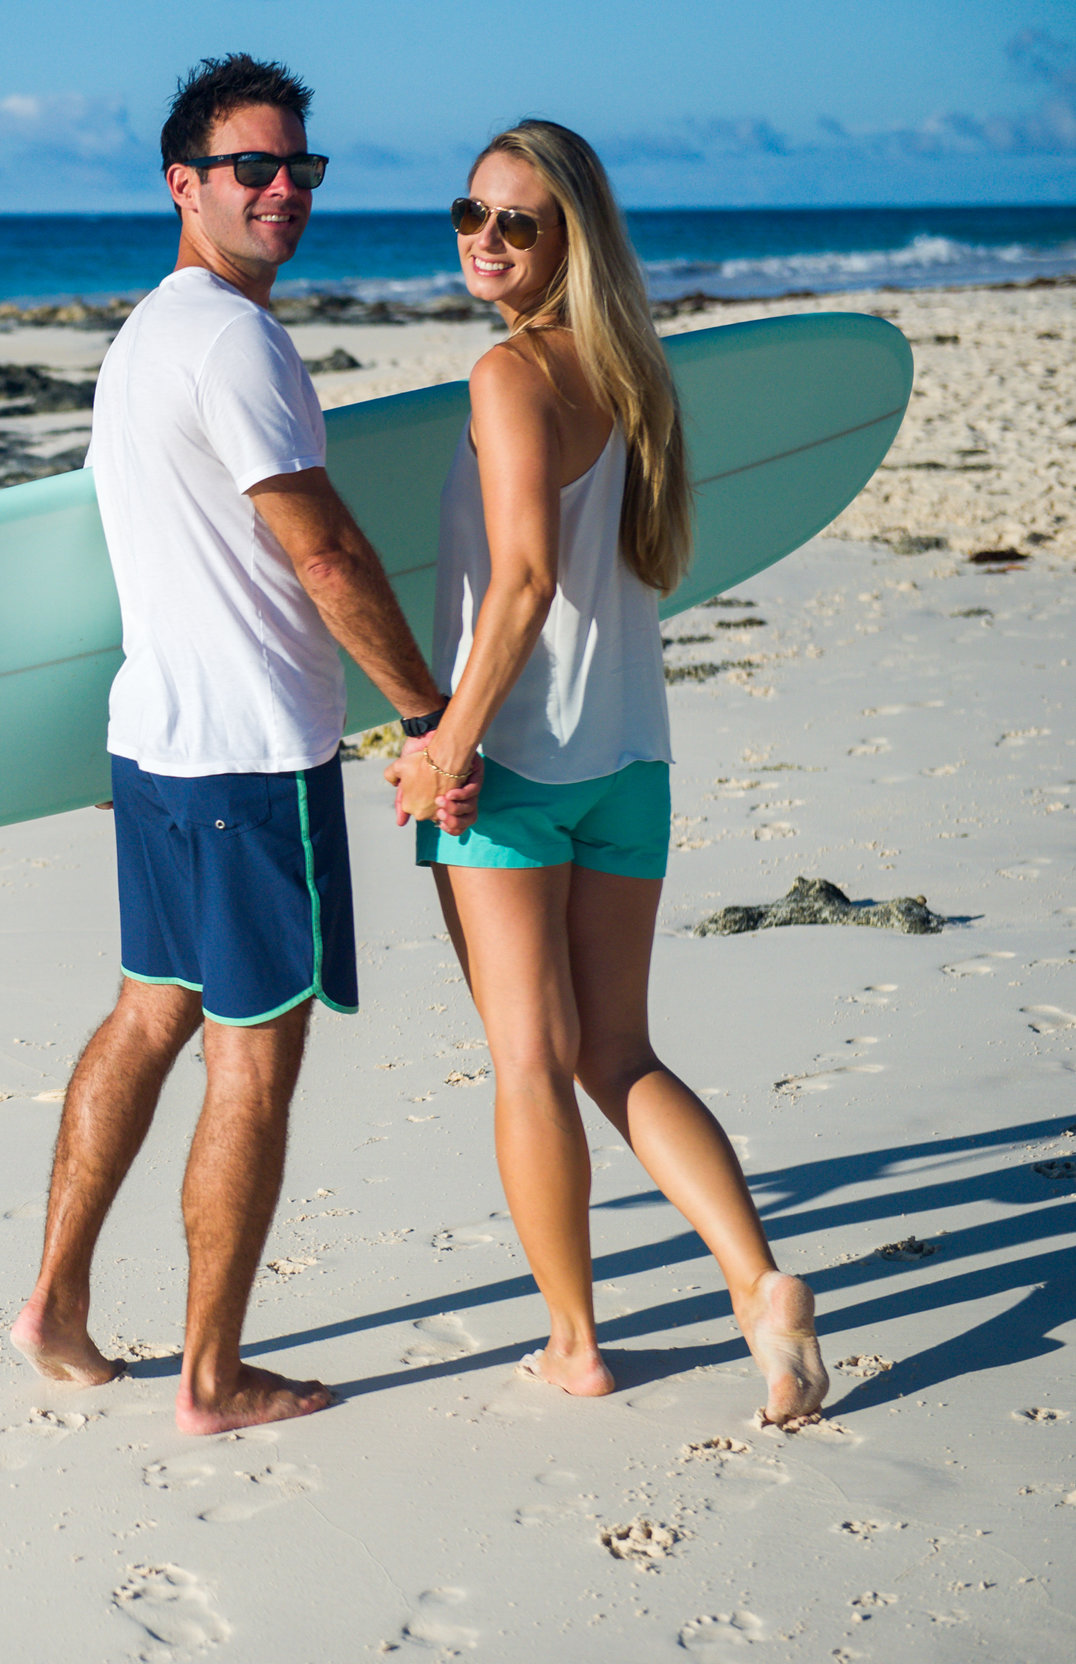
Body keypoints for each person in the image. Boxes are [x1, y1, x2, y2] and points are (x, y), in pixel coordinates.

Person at [11, 55, 474, 1435]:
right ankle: (210, 1378)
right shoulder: (232, 341)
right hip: (250, 757)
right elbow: (323, 548)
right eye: (251, 171)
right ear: (182, 184)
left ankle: (57, 1306)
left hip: (152, 742)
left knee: (148, 1011)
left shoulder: (149, 332)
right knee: (251, 1064)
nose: (282, 192)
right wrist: (428, 706)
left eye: (300, 171)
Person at [388, 120, 829, 1424]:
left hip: (513, 770)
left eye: (516, 223)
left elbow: (520, 583)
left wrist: (444, 750)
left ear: (568, 238)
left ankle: (575, 1343)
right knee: (621, 1049)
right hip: (632, 758)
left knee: (530, 1059)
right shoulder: (638, 378)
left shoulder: (508, 375)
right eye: (468, 214)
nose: (484, 240)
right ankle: (757, 1284)